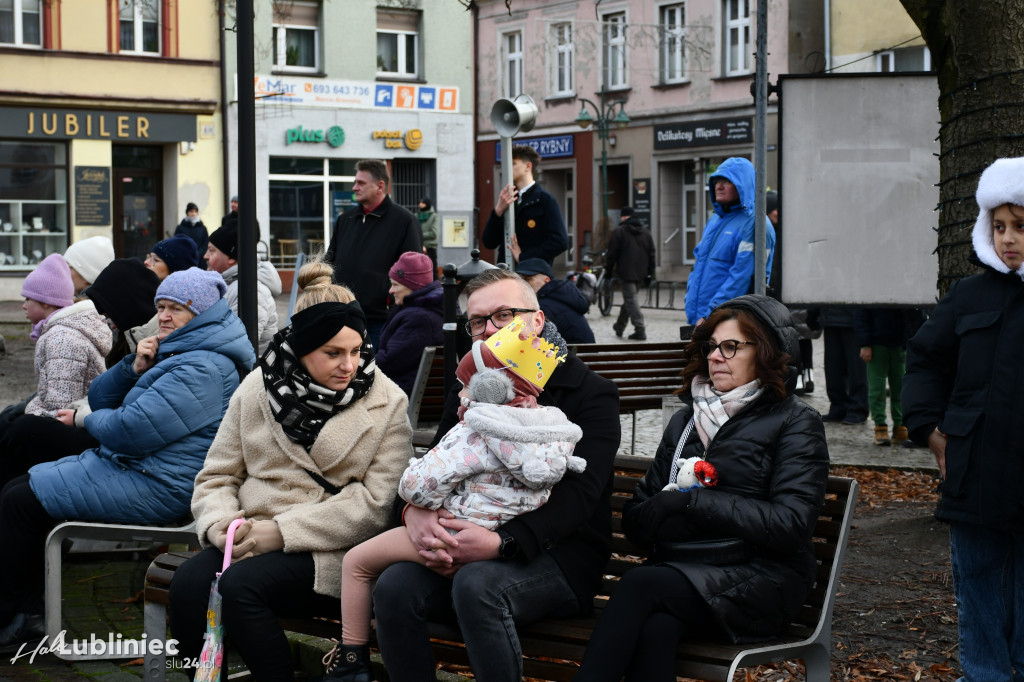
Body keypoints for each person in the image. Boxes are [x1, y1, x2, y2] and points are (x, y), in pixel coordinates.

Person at [166, 255, 412, 680]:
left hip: (328, 548)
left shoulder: (387, 401)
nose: (349, 366)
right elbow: (217, 476)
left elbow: (376, 506)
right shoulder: (258, 388)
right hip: (244, 538)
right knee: (187, 586)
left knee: (240, 589)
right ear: (301, 349)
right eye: (332, 353)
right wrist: (221, 524)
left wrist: (280, 532)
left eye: (356, 351)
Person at [372, 268, 619, 682]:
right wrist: (410, 513)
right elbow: (437, 462)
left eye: (503, 315)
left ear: (536, 321)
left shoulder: (589, 392)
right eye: (477, 322)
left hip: (557, 557)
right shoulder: (471, 386)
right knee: (394, 584)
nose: (489, 330)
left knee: (477, 585)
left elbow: (581, 497)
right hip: (462, 540)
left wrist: (500, 543)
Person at [573, 294, 829, 681]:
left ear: (766, 352)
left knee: (642, 584)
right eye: (711, 347)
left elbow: (791, 524)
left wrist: (693, 504)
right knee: (657, 628)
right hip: (689, 571)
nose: (715, 357)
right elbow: (639, 524)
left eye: (731, 347)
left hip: (766, 578)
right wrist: (662, 510)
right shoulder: (686, 422)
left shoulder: (795, 422)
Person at [0, 267, 255, 651]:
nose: (165, 316)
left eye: (177, 309)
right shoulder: (181, 350)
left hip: (161, 484)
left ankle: (16, 619)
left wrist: (85, 419)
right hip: (137, 467)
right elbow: (104, 398)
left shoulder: (202, 366)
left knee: (19, 501)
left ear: (201, 314)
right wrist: (131, 366)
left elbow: (131, 430)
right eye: (162, 306)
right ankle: (25, 612)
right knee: (18, 490)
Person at [320, 322, 584, 680]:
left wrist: (415, 499)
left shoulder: (475, 432)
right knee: (397, 585)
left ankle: (351, 659)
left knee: (357, 564)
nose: (460, 395)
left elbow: (419, 486)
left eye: (465, 387)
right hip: (498, 529)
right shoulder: (550, 432)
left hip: (453, 529)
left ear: (490, 389)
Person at [902, 156, 1024, 682]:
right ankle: (984, 676)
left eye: (1020, 226)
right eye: (998, 226)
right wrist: (929, 428)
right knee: (976, 584)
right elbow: (926, 358)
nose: (1008, 239)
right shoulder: (968, 295)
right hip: (974, 473)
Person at [0, 254, 111, 487]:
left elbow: (60, 405)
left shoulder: (62, 338)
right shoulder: (59, 331)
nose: (23, 305)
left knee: (13, 432)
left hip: (78, 426)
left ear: (47, 302)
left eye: (28, 298)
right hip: (79, 418)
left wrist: (25, 413)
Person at [325, 159, 422, 349]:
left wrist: (392, 306)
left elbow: (412, 273)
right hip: (342, 316)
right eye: (355, 182)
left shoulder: (404, 221)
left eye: (361, 183)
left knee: (375, 374)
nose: (354, 187)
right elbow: (330, 260)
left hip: (380, 320)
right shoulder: (346, 219)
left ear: (380, 186)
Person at [684, 157, 776, 326]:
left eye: (726, 181)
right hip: (702, 319)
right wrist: (690, 300)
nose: (718, 186)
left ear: (743, 185)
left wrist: (711, 315)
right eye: (716, 181)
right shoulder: (715, 220)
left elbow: (741, 276)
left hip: (729, 321)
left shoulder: (755, 223)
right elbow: (699, 265)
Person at [482, 145, 569, 266]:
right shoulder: (508, 200)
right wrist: (497, 212)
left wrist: (524, 257)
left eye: (513, 164)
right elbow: (488, 242)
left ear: (528, 166)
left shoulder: (545, 200)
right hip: (505, 274)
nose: (507, 169)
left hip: (531, 276)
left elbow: (560, 242)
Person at [205, 221, 283, 355]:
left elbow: (240, 345)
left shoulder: (250, 290)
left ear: (231, 258)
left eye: (212, 251)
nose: (205, 256)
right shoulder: (229, 284)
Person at [376, 251, 443, 395]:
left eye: (395, 285)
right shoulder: (426, 311)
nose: (391, 290)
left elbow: (388, 362)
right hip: (408, 390)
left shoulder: (418, 319)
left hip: (400, 394)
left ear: (414, 286)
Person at [853, 308, 911, 446]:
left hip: (899, 344)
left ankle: (900, 426)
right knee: (877, 388)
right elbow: (861, 314)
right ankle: (880, 426)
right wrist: (865, 344)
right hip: (877, 344)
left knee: (900, 388)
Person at [516, 257, 595, 344]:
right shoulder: (561, 294)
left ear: (546, 281)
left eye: (528, 279)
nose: (523, 284)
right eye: (521, 280)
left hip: (574, 355)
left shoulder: (543, 306)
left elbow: (540, 344)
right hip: (586, 354)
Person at [606, 206, 656, 341]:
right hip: (641, 273)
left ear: (623, 217)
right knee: (630, 300)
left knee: (631, 300)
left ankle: (640, 329)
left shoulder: (619, 232)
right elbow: (652, 254)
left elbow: (611, 254)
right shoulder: (646, 232)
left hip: (625, 272)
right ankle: (619, 326)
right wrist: (651, 274)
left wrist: (608, 271)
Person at [818, 306, 869, 424]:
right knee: (833, 368)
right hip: (831, 317)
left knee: (856, 369)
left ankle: (858, 407)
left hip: (853, 318)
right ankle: (839, 405)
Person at [174, 202, 209, 267]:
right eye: (191, 211)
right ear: (187, 213)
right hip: (185, 259)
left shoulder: (203, 228)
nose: (193, 213)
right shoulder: (180, 228)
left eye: (195, 211)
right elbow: (177, 242)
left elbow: (205, 244)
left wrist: (198, 254)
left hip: (200, 261)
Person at [418, 197, 439, 278]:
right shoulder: (416, 215)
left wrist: (419, 235)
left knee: (432, 269)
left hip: (430, 247)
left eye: (422, 203)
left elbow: (434, 233)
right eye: (419, 202)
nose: (420, 204)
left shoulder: (434, 216)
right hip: (418, 246)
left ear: (427, 204)